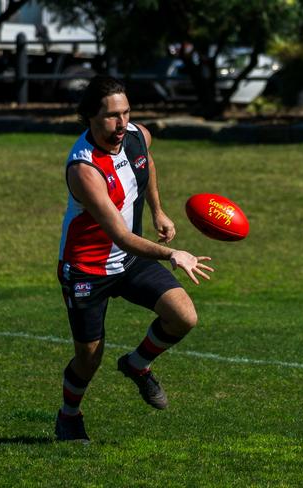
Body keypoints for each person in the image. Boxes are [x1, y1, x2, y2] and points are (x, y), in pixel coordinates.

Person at [55, 75, 214, 442]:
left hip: (129, 262)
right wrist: (173, 253)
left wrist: (158, 210)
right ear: (90, 117)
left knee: (183, 316)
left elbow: (147, 163)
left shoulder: (137, 137)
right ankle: (69, 415)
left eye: (126, 113)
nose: (121, 123)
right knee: (88, 359)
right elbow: (122, 237)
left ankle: (137, 364)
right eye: (112, 116)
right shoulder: (84, 169)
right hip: (87, 269)